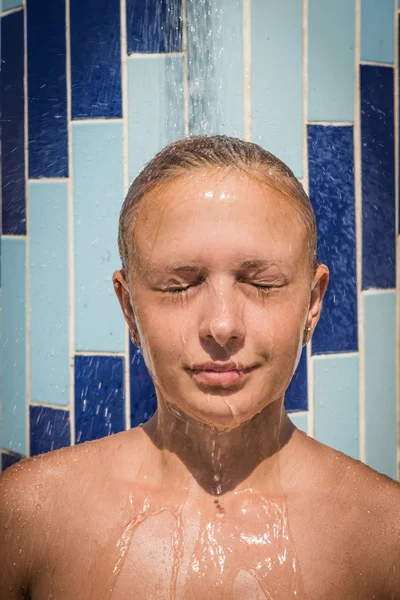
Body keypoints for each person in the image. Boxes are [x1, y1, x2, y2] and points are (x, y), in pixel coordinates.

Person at [1, 136, 399, 600]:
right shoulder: (31, 517)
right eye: (179, 287)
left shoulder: (383, 536)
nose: (223, 325)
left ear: (312, 304)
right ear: (129, 308)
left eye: (262, 283)